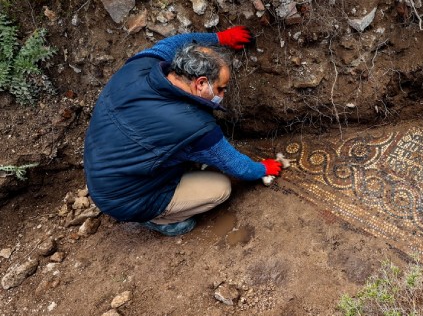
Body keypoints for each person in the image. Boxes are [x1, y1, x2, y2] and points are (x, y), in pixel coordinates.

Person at [84, 27, 283, 236]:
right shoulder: (193, 126)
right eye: (220, 89)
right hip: (128, 198)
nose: (223, 95)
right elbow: (237, 166)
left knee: (186, 156)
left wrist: (221, 38)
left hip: (102, 172)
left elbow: (178, 41)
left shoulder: (140, 66)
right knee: (221, 188)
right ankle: (160, 219)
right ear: (201, 83)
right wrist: (263, 169)